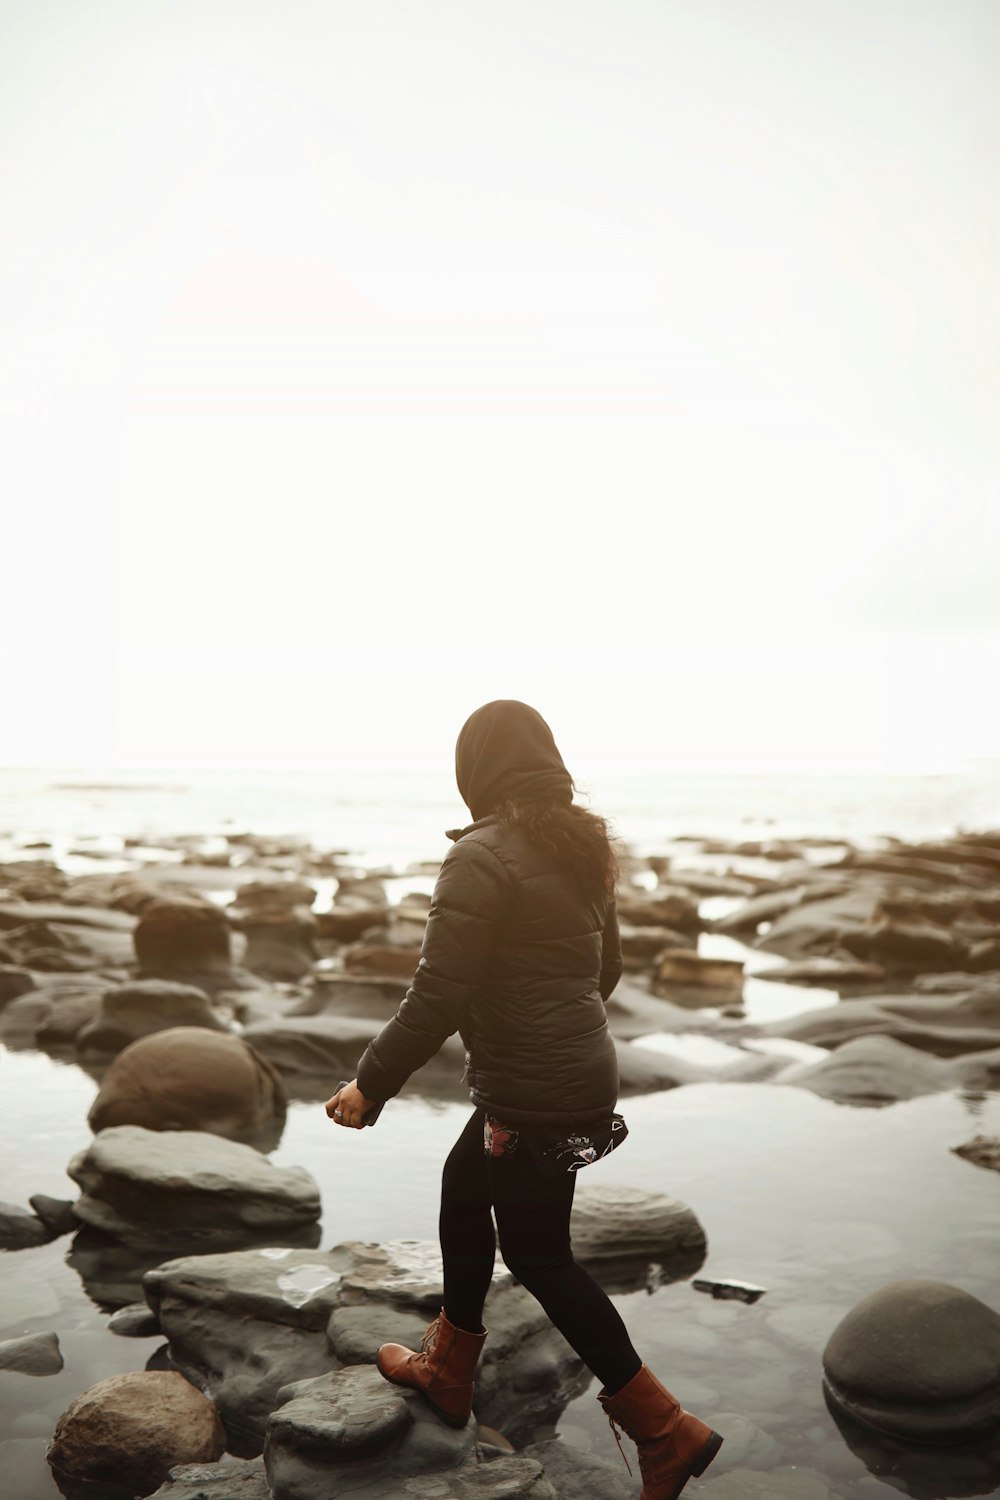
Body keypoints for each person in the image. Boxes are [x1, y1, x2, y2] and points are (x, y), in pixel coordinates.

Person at [326, 700, 723, 1499]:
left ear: (475, 772)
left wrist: (371, 1083)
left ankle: (664, 1429)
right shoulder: (579, 847)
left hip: (533, 1085)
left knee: (540, 1255)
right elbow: (603, 974)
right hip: (575, 1069)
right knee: (463, 1192)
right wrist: (542, 1011)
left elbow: (438, 993)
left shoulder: (482, 856)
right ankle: (449, 1367)